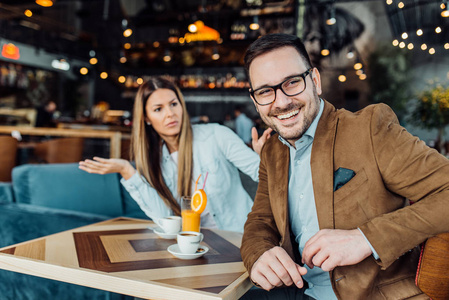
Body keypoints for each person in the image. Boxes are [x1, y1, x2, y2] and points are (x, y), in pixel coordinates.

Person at [240, 33, 449, 299]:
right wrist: (258, 254)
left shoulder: (369, 129)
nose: (281, 102)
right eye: (265, 91)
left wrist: (366, 238)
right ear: (255, 99)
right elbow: (259, 221)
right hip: (300, 291)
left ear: (315, 81)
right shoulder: (272, 150)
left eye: (292, 82)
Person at [79, 77, 272, 233]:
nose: (170, 113)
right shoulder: (154, 163)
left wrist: (268, 158)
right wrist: (126, 170)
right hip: (195, 249)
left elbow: (262, 174)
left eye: (173, 104)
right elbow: (164, 218)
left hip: (242, 239)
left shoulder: (216, 135)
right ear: (146, 118)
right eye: (158, 109)